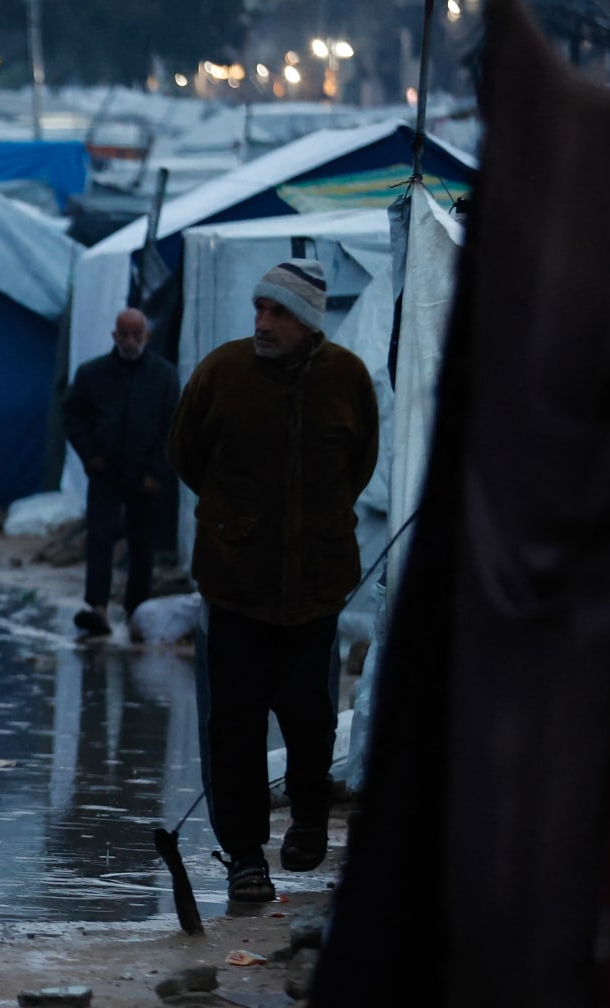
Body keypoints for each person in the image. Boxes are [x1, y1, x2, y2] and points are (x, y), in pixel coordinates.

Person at [167, 260, 378, 902]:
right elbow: (186, 453)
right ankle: (245, 856)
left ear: (308, 321)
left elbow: (360, 464)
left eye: (278, 312)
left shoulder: (346, 378)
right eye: (259, 308)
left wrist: (312, 521)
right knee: (233, 724)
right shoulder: (223, 373)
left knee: (311, 718)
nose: (262, 322)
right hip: (235, 581)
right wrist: (238, 519)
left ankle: (310, 822)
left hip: (315, 585)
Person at [62, 308, 179, 640]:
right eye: (124, 335)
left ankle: (137, 611)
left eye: (136, 335)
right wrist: (91, 456)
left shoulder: (164, 376)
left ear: (147, 337)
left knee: (142, 544)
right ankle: (98, 607)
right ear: (114, 336)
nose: (130, 342)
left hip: (145, 476)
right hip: (107, 471)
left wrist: (158, 471)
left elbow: (172, 426)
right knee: (100, 537)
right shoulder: (93, 374)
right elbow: (72, 415)